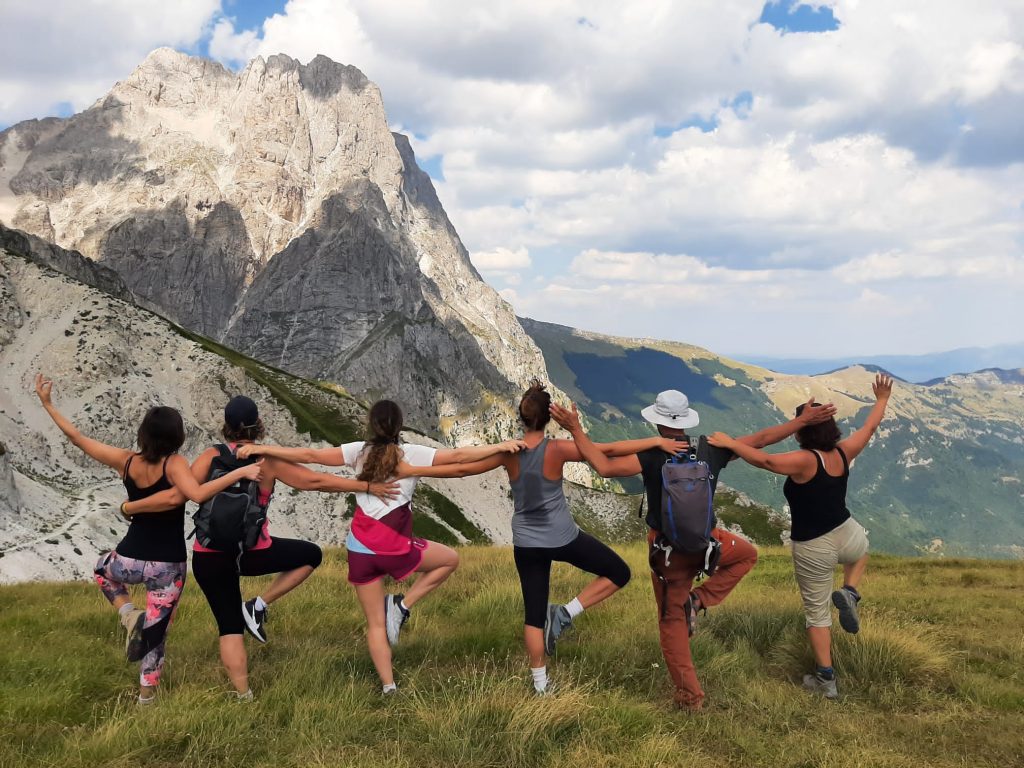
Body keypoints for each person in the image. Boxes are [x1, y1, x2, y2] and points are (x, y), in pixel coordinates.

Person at [550, 389, 838, 711]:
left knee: (671, 623)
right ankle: (698, 599)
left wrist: (575, 428)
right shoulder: (709, 448)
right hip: (708, 542)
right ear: (686, 421)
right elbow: (761, 439)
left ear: (659, 424)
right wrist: (800, 421)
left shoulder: (651, 454)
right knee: (746, 555)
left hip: (667, 553)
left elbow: (602, 466)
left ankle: (690, 696)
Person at [401, 381, 690, 695]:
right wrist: (656, 442)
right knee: (619, 572)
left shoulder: (508, 452)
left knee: (533, 614)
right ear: (547, 419)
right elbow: (606, 451)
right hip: (563, 538)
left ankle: (541, 686)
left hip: (526, 543)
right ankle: (567, 613)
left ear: (522, 418)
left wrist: (412, 470)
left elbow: (461, 471)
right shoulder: (558, 449)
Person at [234, 398, 526, 694]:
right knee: (449, 559)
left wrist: (263, 449)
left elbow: (310, 454)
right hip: (395, 548)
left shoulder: (357, 452)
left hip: (359, 549)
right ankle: (401, 606)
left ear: (370, 426)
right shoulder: (409, 454)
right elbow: (460, 459)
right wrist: (499, 448)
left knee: (374, 624)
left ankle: (389, 686)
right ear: (399, 426)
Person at [123, 395, 400, 700]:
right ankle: (258, 605)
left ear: (226, 426)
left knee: (229, 627)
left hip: (208, 556)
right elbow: (317, 481)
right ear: (259, 426)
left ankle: (244, 696)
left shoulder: (208, 457)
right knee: (311, 555)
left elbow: (180, 496)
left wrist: (132, 507)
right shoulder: (268, 460)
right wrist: (368, 486)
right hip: (252, 554)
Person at [34, 374, 263, 705]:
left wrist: (48, 404)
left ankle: (128, 612)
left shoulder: (126, 461)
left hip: (129, 560)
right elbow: (196, 494)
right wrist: (239, 472)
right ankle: (145, 699)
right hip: (168, 566)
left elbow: (77, 438)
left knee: (101, 568)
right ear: (178, 435)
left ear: (144, 434)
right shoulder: (175, 464)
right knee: (156, 637)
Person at [708, 374, 893, 699]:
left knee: (817, 613)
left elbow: (765, 459)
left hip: (813, 545)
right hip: (845, 530)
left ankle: (827, 681)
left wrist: (730, 443)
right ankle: (850, 591)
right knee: (861, 549)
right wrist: (881, 400)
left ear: (803, 432)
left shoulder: (806, 461)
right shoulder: (843, 453)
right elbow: (869, 429)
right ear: (831, 429)